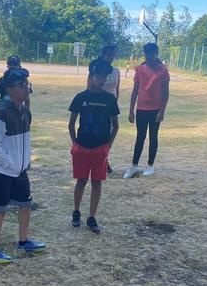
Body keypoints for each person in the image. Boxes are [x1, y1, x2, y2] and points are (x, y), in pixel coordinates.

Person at [0, 68, 46, 263]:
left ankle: (23, 241)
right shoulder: (2, 113)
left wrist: (23, 163)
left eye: (27, 83)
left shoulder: (25, 111)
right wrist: (9, 164)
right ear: (9, 89)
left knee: (25, 205)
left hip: (19, 170)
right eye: (21, 85)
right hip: (1, 171)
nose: (26, 88)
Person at [69, 59, 120, 234]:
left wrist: (108, 145)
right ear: (91, 76)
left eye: (104, 76)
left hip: (100, 148)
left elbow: (115, 125)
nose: (101, 79)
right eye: (97, 75)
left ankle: (91, 217)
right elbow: (71, 124)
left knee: (97, 182)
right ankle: (76, 211)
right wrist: (75, 143)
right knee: (81, 181)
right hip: (82, 147)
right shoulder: (81, 97)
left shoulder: (110, 99)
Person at [123, 43, 170, 178]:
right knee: (140, 137)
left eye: (152, 53)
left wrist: (162, 111)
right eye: (146, 53)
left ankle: (150, 165)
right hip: (141, 109)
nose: (149, 56)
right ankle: (134, 165)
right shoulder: (140, 70)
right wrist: (131, 110)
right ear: (144, 53)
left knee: (153, 136)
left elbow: (166, 93)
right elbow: (135, 91)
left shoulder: (162, 71)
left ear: (156, 54)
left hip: (155, 110)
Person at [87, 45, 121, 174]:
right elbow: (89, 87)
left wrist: (114, 104)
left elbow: (117, 89)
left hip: (110, 106)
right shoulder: (95, 69)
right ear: (103, 54)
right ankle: (94, 158)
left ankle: (104, 158)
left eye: (113, 55)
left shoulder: (116, 71)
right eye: (109, 55)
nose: (111, 57)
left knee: (109, 133)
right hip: (97, 105)